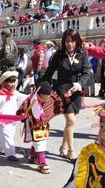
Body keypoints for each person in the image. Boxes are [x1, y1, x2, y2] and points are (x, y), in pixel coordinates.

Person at [42, 28, 91, 161]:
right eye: (67, 41)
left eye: (73, 41)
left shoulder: (83, 54)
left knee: (70, 123)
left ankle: (62, 147)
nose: (70, 44)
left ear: (77, 42)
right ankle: (71, 151)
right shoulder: (59, 54)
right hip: (63, 92)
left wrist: (80, 83)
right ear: (64, 42)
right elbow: (48, 73)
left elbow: (87, 72)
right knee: (71, 121)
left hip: (76, 92)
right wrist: (43, 88)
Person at [17, 81, 63, 174]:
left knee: (38, 141)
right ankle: (42, 163)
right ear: (38, 93)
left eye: (47, 96)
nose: (45, 99)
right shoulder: (30, 99)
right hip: (34, 125)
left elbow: (53, 107)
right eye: (43, 97)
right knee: (39, 143)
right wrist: (23, 113)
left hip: (44, 125)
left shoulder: (50, 98)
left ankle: (33, 156)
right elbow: (23, 110)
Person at [0, 70, 26, 161]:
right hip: (3, 118)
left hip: (12, 118)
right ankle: (10, 153)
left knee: (5, 135)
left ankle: (2, 149)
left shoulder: (15, 93)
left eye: (13, 82)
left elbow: (23, 96)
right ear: (4, 83)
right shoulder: (1, 94)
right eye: (10, 82)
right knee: (8, 135)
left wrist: (32, 95)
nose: (12, 84)